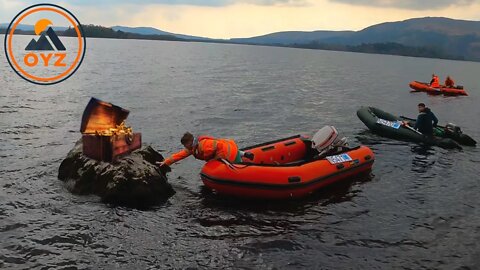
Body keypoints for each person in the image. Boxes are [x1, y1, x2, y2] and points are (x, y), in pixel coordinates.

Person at [157, 132, 254, 167]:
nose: (185, 147)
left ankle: (247, 162)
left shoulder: (203, 145)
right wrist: (166, 162)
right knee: (235, 153)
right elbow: (179, 155)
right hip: (230, 147)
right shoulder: (193, 148)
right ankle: (245, 154)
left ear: (190, 142)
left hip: (230, 153)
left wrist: (211, 160)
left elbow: (218, 148)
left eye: (185, 145)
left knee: (240, 165)